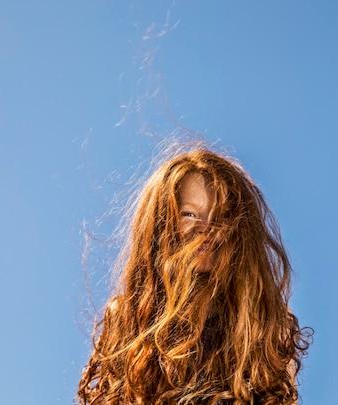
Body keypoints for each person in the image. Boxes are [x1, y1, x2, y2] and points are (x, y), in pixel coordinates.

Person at [77, 145, 311, 404]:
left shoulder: (267, 324)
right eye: (189, 214)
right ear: (160, 225)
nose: (206, 230)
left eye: (221, 217)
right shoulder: (126, 319)